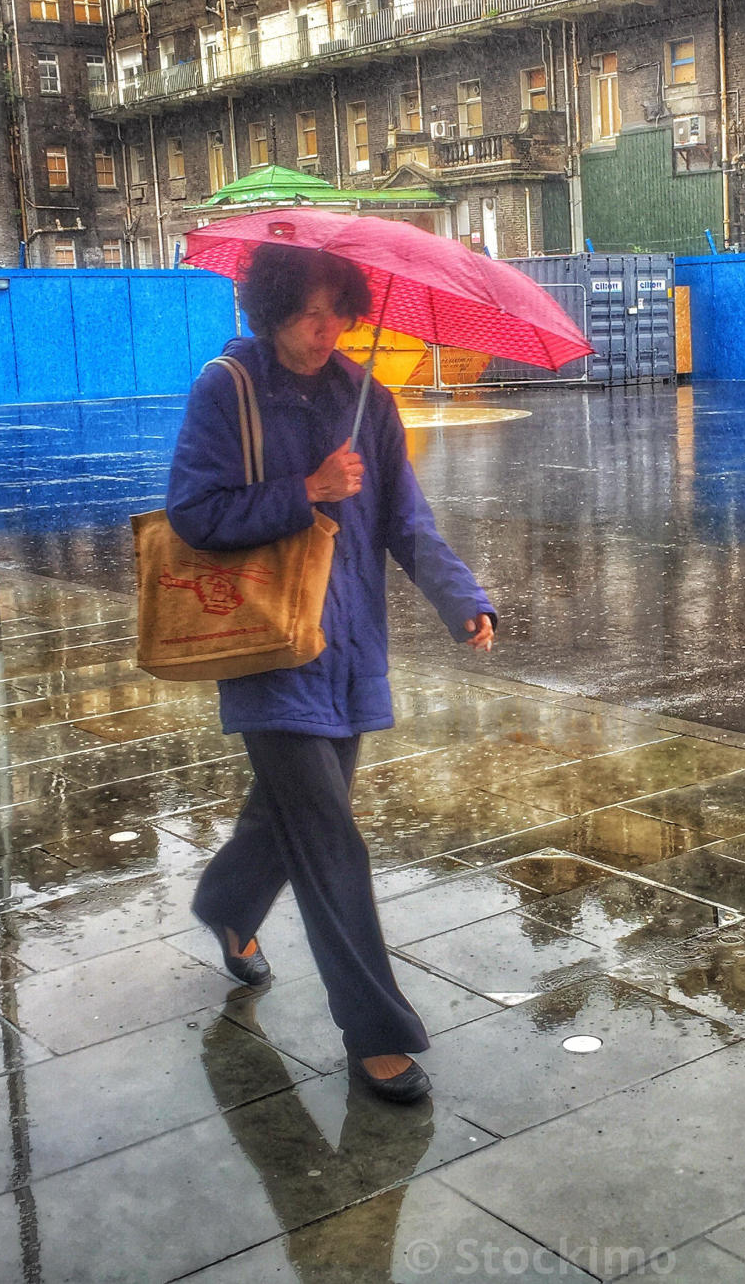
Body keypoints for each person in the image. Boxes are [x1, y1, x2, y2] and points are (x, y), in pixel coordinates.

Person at [166, 241, 496, 1103]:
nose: (327, 328)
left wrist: (462, 599)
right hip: (268, 648)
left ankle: (230, 903)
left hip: (348, 650)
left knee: (294, 816)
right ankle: (377, 1032)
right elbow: (194, 514)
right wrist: (305, 487)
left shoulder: (368, 399)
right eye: (310, 311)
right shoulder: (226, 391)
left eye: (338, 310)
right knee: (328, 837)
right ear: (271, 306)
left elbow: (406, 521)